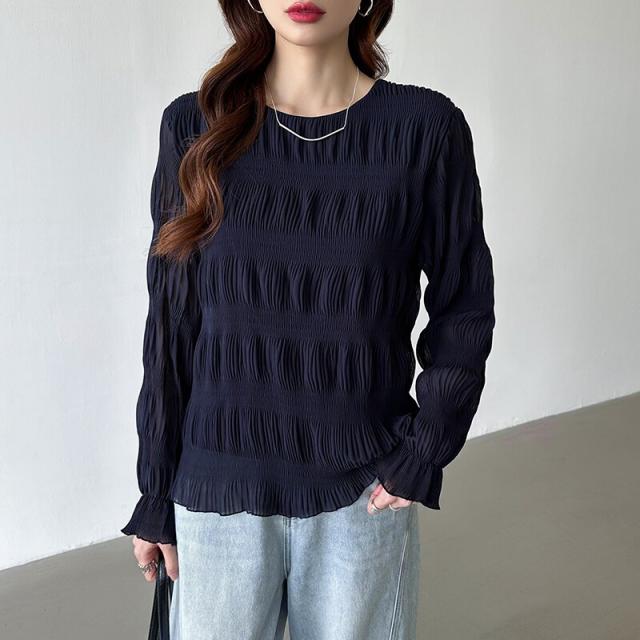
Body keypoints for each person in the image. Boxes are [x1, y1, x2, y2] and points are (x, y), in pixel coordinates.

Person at [121, 1, 496, 638]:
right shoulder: (194, 126)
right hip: (217, 492)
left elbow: (464, 300)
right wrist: (156, 491)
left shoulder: (424, 130)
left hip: (361, 492)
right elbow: (172, 327)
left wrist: (426, 447)